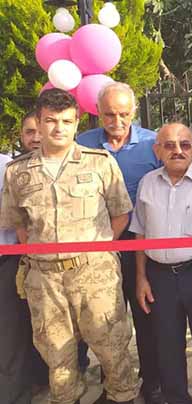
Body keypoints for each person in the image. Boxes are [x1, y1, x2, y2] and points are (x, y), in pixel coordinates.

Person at [0, 88, 138, 404]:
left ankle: (122, 397)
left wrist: (95, 251)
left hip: (94, 275)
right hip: (45, 280)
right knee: (56, 357)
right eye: (50, 120)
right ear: (39, 122)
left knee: (113, 349)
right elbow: (19, 224)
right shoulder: (18, 172)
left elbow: (121, 214)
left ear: (76, 123)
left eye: (66, 121)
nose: (58, 128)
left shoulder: (100, 163)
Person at [76, 81, 163, 404]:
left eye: (124, 114)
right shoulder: (82, 144)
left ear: (134, 112)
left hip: (141, 245)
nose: (117, 121)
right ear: (98, 112)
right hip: (98, 245)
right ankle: (113, 385)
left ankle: (152, 384)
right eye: (110, 114)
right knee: (105, 322)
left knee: (146, 316)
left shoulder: (153, 144)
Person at [132, 122, 192, 404]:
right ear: (157, 150)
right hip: (158, 277)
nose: (178, 151)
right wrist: (141, 277)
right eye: (169, 145)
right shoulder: (147, 183)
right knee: (167, 348)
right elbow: (140, 233)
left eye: (185, 144)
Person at [0, 152, 31, 404]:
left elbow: (20, 218)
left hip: (5, 261)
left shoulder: (8, 168)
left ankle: (12, 396)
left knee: (8, 336)